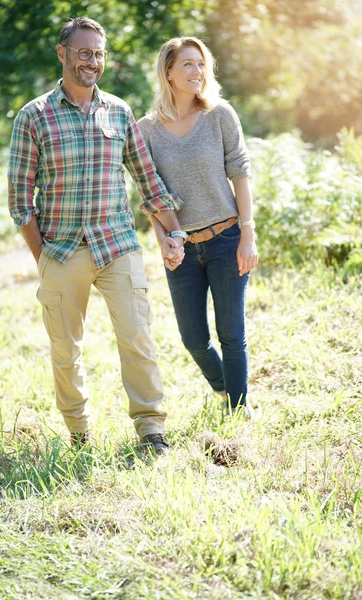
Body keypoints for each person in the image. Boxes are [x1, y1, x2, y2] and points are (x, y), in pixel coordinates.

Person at [8, 17, 185, 455]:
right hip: (62, 248)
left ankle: (151, 429)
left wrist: (172, 230)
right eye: (84, 52)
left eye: (99, 53)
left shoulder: (119, 111)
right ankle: (79, 432)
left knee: (137, 335)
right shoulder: (34, 115)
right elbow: (19, 197)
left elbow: (148, 180)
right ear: (62, 54)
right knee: (66, 350)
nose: (93, 61)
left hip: (117, 243)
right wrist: (43, 257)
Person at [137, 37, 258, 416]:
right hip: (183, 248)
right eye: (187, 64)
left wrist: (249, 234)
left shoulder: (219, 114)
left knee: (232, 334)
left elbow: (240, 175)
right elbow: (150, 197)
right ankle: (225, 390)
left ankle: (238, 411)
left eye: (201, 64)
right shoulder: (146, 130)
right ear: (168, 72)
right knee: (192, 338)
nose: (197, 71)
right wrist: (162, 242)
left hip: (227, 238)